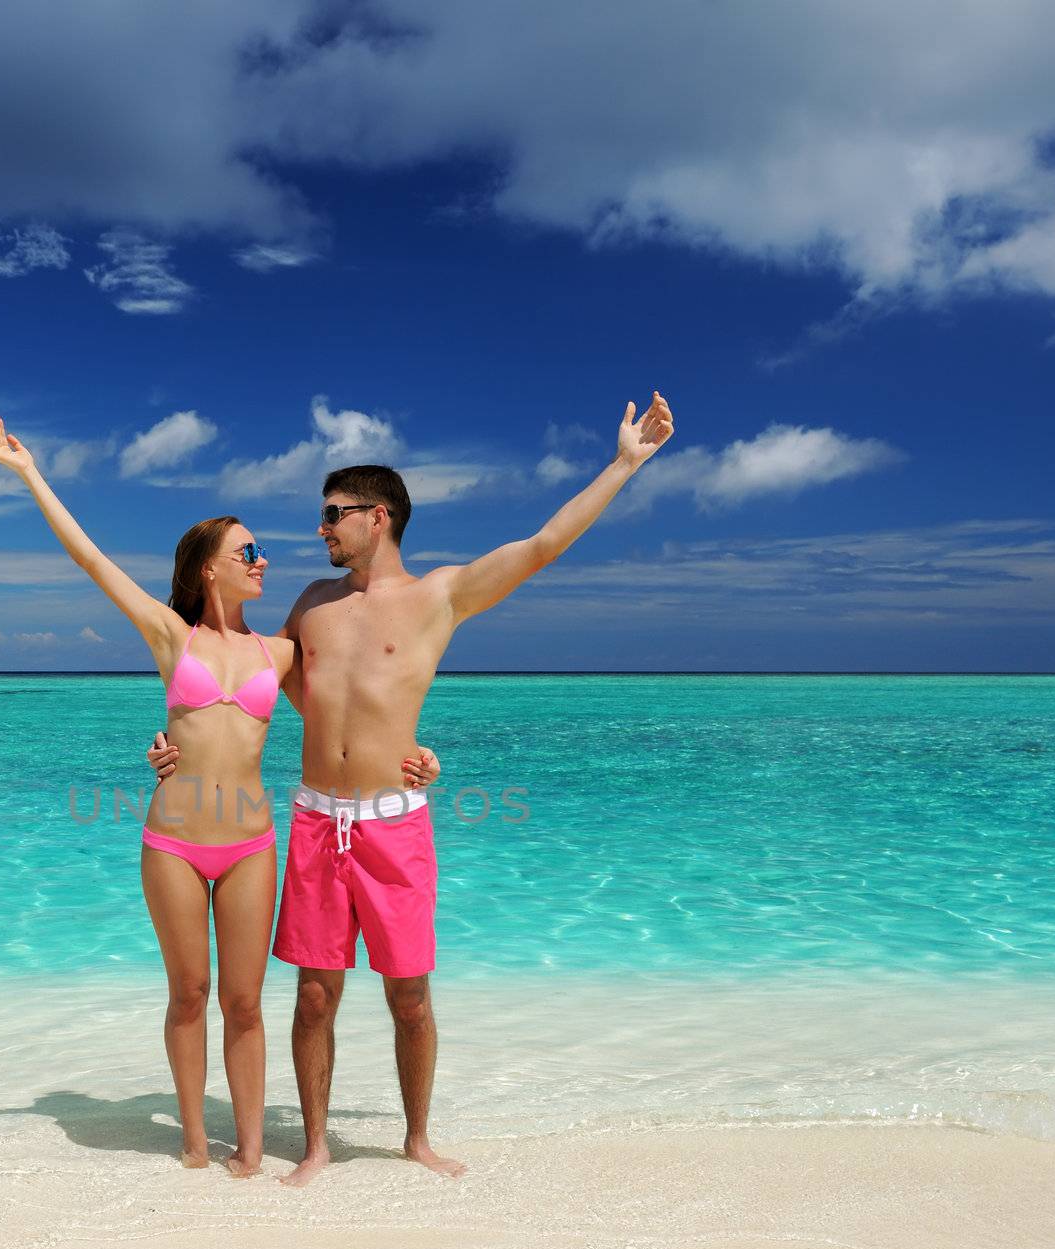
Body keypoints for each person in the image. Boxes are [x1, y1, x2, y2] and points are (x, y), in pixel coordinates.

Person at [150, 393, 676, 1185]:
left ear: (378, 518)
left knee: (410, 998)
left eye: (333, 514)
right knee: (316, 996)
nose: (320, 529)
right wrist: (178, 748)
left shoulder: (441, 596)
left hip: (395, 822)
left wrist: (625, 464)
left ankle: (416, 1138)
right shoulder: (310, 607)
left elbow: (541, 545)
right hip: (316, 819)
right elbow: (242, 684)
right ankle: (318, 1145)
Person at [0, 417, 440, 1178]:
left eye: (259, 550)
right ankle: (195, 1140)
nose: (263, 559)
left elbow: (351, 707)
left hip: (254, 839)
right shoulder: (172, 637)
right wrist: (32, 477)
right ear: (208, 572)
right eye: (246, 553)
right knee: (190, 993)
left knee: (247, 1003)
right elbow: (91, 560)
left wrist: (416, 759)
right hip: (174, 839)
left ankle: (253, 1149)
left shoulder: (282, 648)